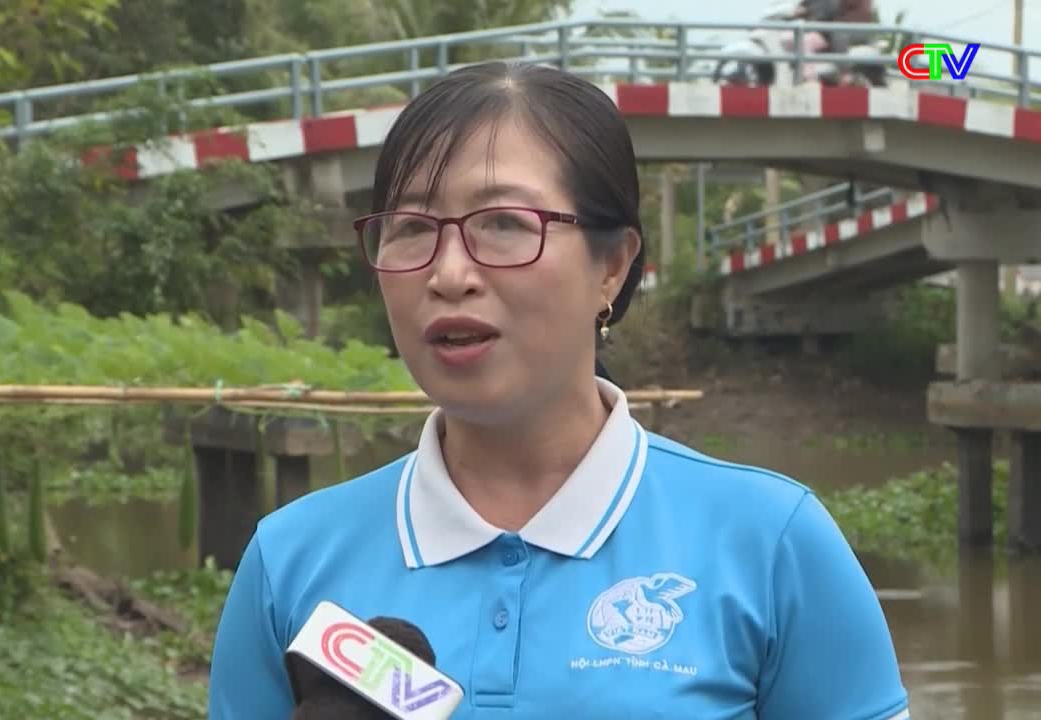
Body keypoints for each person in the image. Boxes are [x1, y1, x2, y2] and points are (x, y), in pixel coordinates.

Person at [208, 61, 910, 718]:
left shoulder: (771, 543)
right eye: (412, 228)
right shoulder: (291, 560)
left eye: (505, 224)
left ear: (612, 266)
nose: (449, 273)